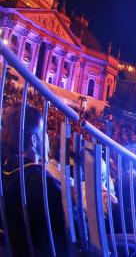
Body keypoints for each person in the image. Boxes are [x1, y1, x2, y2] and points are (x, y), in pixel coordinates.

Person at [1, 106, 67, 256]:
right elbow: (70, 233)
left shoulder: (6, 173)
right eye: (43, 131)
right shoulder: (44, 185)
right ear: (33, 139)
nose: (47, 137)